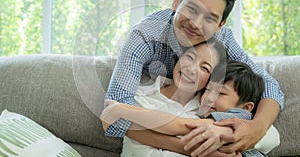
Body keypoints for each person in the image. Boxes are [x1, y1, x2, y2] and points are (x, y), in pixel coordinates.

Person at [103, 0, 284, 155]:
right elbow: (112, 115)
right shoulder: (144, 36)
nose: (195, 23)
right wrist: (188, 148)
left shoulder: (222, 39)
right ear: (176, 2)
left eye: (210, 18)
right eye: (191, 9)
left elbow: (269, 86)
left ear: (221, 24)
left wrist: (256, 128)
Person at [101, 60, 280, 157]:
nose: (209, 97)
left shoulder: (233, 119)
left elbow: (176, 125)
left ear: (247, 107)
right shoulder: (208, 116)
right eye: (208, 89)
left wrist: (124, 110)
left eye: (221, 94)